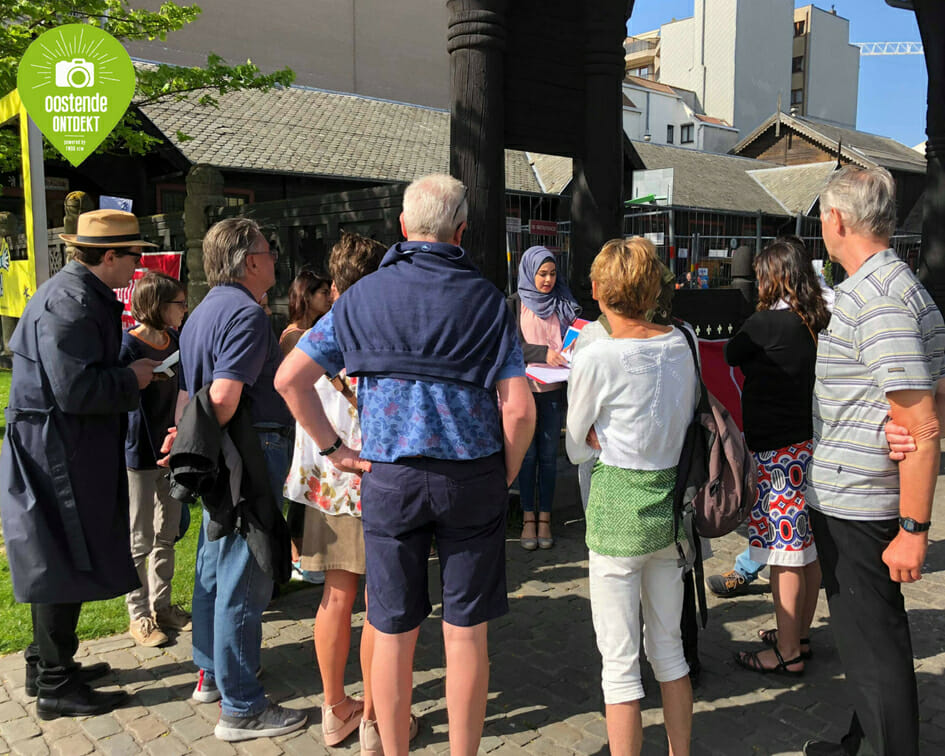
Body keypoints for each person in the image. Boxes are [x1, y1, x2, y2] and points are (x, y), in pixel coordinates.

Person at [276, 174, 535, 755]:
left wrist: (334, 450)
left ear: (402, 227)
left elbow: (289, 378)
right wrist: (505, 473)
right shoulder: (489, 302)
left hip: (387, 480)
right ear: (461, 231)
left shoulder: (361, 297)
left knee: (390, 627)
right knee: (466, 631)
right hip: (471, 477)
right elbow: (518, 411)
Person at [800, 166, 945, 756]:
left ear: (837, 219)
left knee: (873, 643)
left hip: (859, 501)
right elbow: (932, 398)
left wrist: (914, 529)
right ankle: (860, 741)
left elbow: (921, 419)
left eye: (821, 220)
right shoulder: (900, 286)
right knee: (864, 640)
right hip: (858, 488)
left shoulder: (878, 297)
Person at [0, 209, 159, 719]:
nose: (139, 264)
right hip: (55, 453)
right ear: (109, 256)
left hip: (63, 446)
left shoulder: (78, 294)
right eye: (134, 254)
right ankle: (54, 685)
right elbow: (75, 389)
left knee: (61, 556)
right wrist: (131, 378)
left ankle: (46, 663)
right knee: (58, 560)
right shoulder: (69, 303)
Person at [283, 233, 420, 751]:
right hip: (368, 478)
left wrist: (328, 448)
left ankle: (336, 708)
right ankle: (377, 723)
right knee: (380, 606)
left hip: (322, 483)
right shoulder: (376, 328)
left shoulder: (317, 330)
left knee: (336, 598)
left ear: (335, 281)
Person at [174, 218, 307, 741]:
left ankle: (212, 674)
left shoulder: (200, 314)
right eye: (268, 250)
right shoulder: (247, 315)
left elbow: (188, 399)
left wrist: (186, 444)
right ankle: (242, 706)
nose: (274, 257)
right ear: (249, 261)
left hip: (215, 451)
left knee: (212, 563)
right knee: (242, 572)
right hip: (248, 450)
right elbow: (225, 398)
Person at [566, 237, 698, 756]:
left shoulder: (597, 354)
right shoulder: (683, 341)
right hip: (670, 506)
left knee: (619, 666)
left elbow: (576, 446)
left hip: (617, 507)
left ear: (598, 290)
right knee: (670, 651)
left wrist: (595, 437)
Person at [726, 238, 830, 676]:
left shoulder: (765, 324)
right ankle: (799, 633)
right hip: (808, 444)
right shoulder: (816, 318)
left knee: (783, 551)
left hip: (775, 451)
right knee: (806, 549)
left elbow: (732, 352)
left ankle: (786, 652)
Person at [120, 272, 192, 648]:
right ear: (157, 305)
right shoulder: (127, 346)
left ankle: (162, 606)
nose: (183, 309)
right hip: (139, 451)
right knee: (139, 537)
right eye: (178, 303)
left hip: (172, 450)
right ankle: (139, 615)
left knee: (168, 531)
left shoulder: (175, 340)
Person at [507, 245, 581, 549]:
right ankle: (527, 519)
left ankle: (546, 519)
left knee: (549, 458)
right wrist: (542, 353)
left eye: (552, 273)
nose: (548, 280)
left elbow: (575, 337)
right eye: (542, 274)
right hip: (525, 391)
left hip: (553, 393)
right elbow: (509, 346)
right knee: (528, 457)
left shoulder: (563, 302)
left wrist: (570, 350)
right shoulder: (514, 304)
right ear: (528, 272)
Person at [279, 270, 333, 356]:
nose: (330, 299)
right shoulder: (293, 336)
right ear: (307, 295)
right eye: (324, 293)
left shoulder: (314, 329)